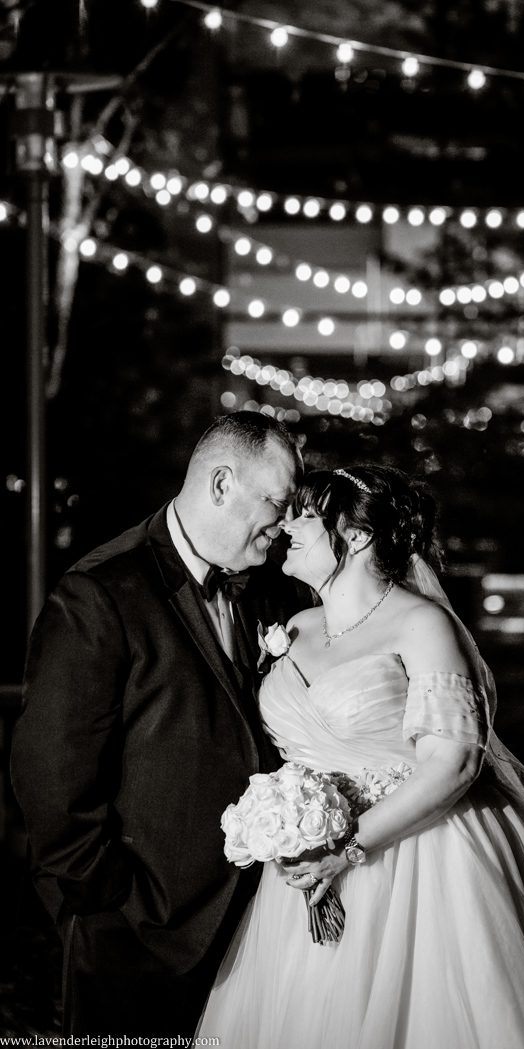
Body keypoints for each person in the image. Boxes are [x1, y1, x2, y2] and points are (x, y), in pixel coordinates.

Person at [196, 463, 524, 1049]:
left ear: (357, 536)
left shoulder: (422, 625)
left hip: (423, 855)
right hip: (305, 864)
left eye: (306, 514)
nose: (288, 522)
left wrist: (348, 847)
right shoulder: (295, 626)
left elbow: (456, 764)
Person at [11, 411, 306, 1039]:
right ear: (222, 484)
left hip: (255, 928)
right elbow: (52, 781)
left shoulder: (270, 592)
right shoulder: (101, 594)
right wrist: (117, 905)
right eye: (276, 503)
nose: (283, 527)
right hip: (139, 935)